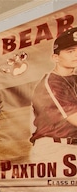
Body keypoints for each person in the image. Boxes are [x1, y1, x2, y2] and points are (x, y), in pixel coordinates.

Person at [29, 27, 77, 158]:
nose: (76, 55)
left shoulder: (74, 78)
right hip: (55, 149)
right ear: (55, 58)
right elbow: (74, 118)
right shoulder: (52, 82)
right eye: (70, 51)